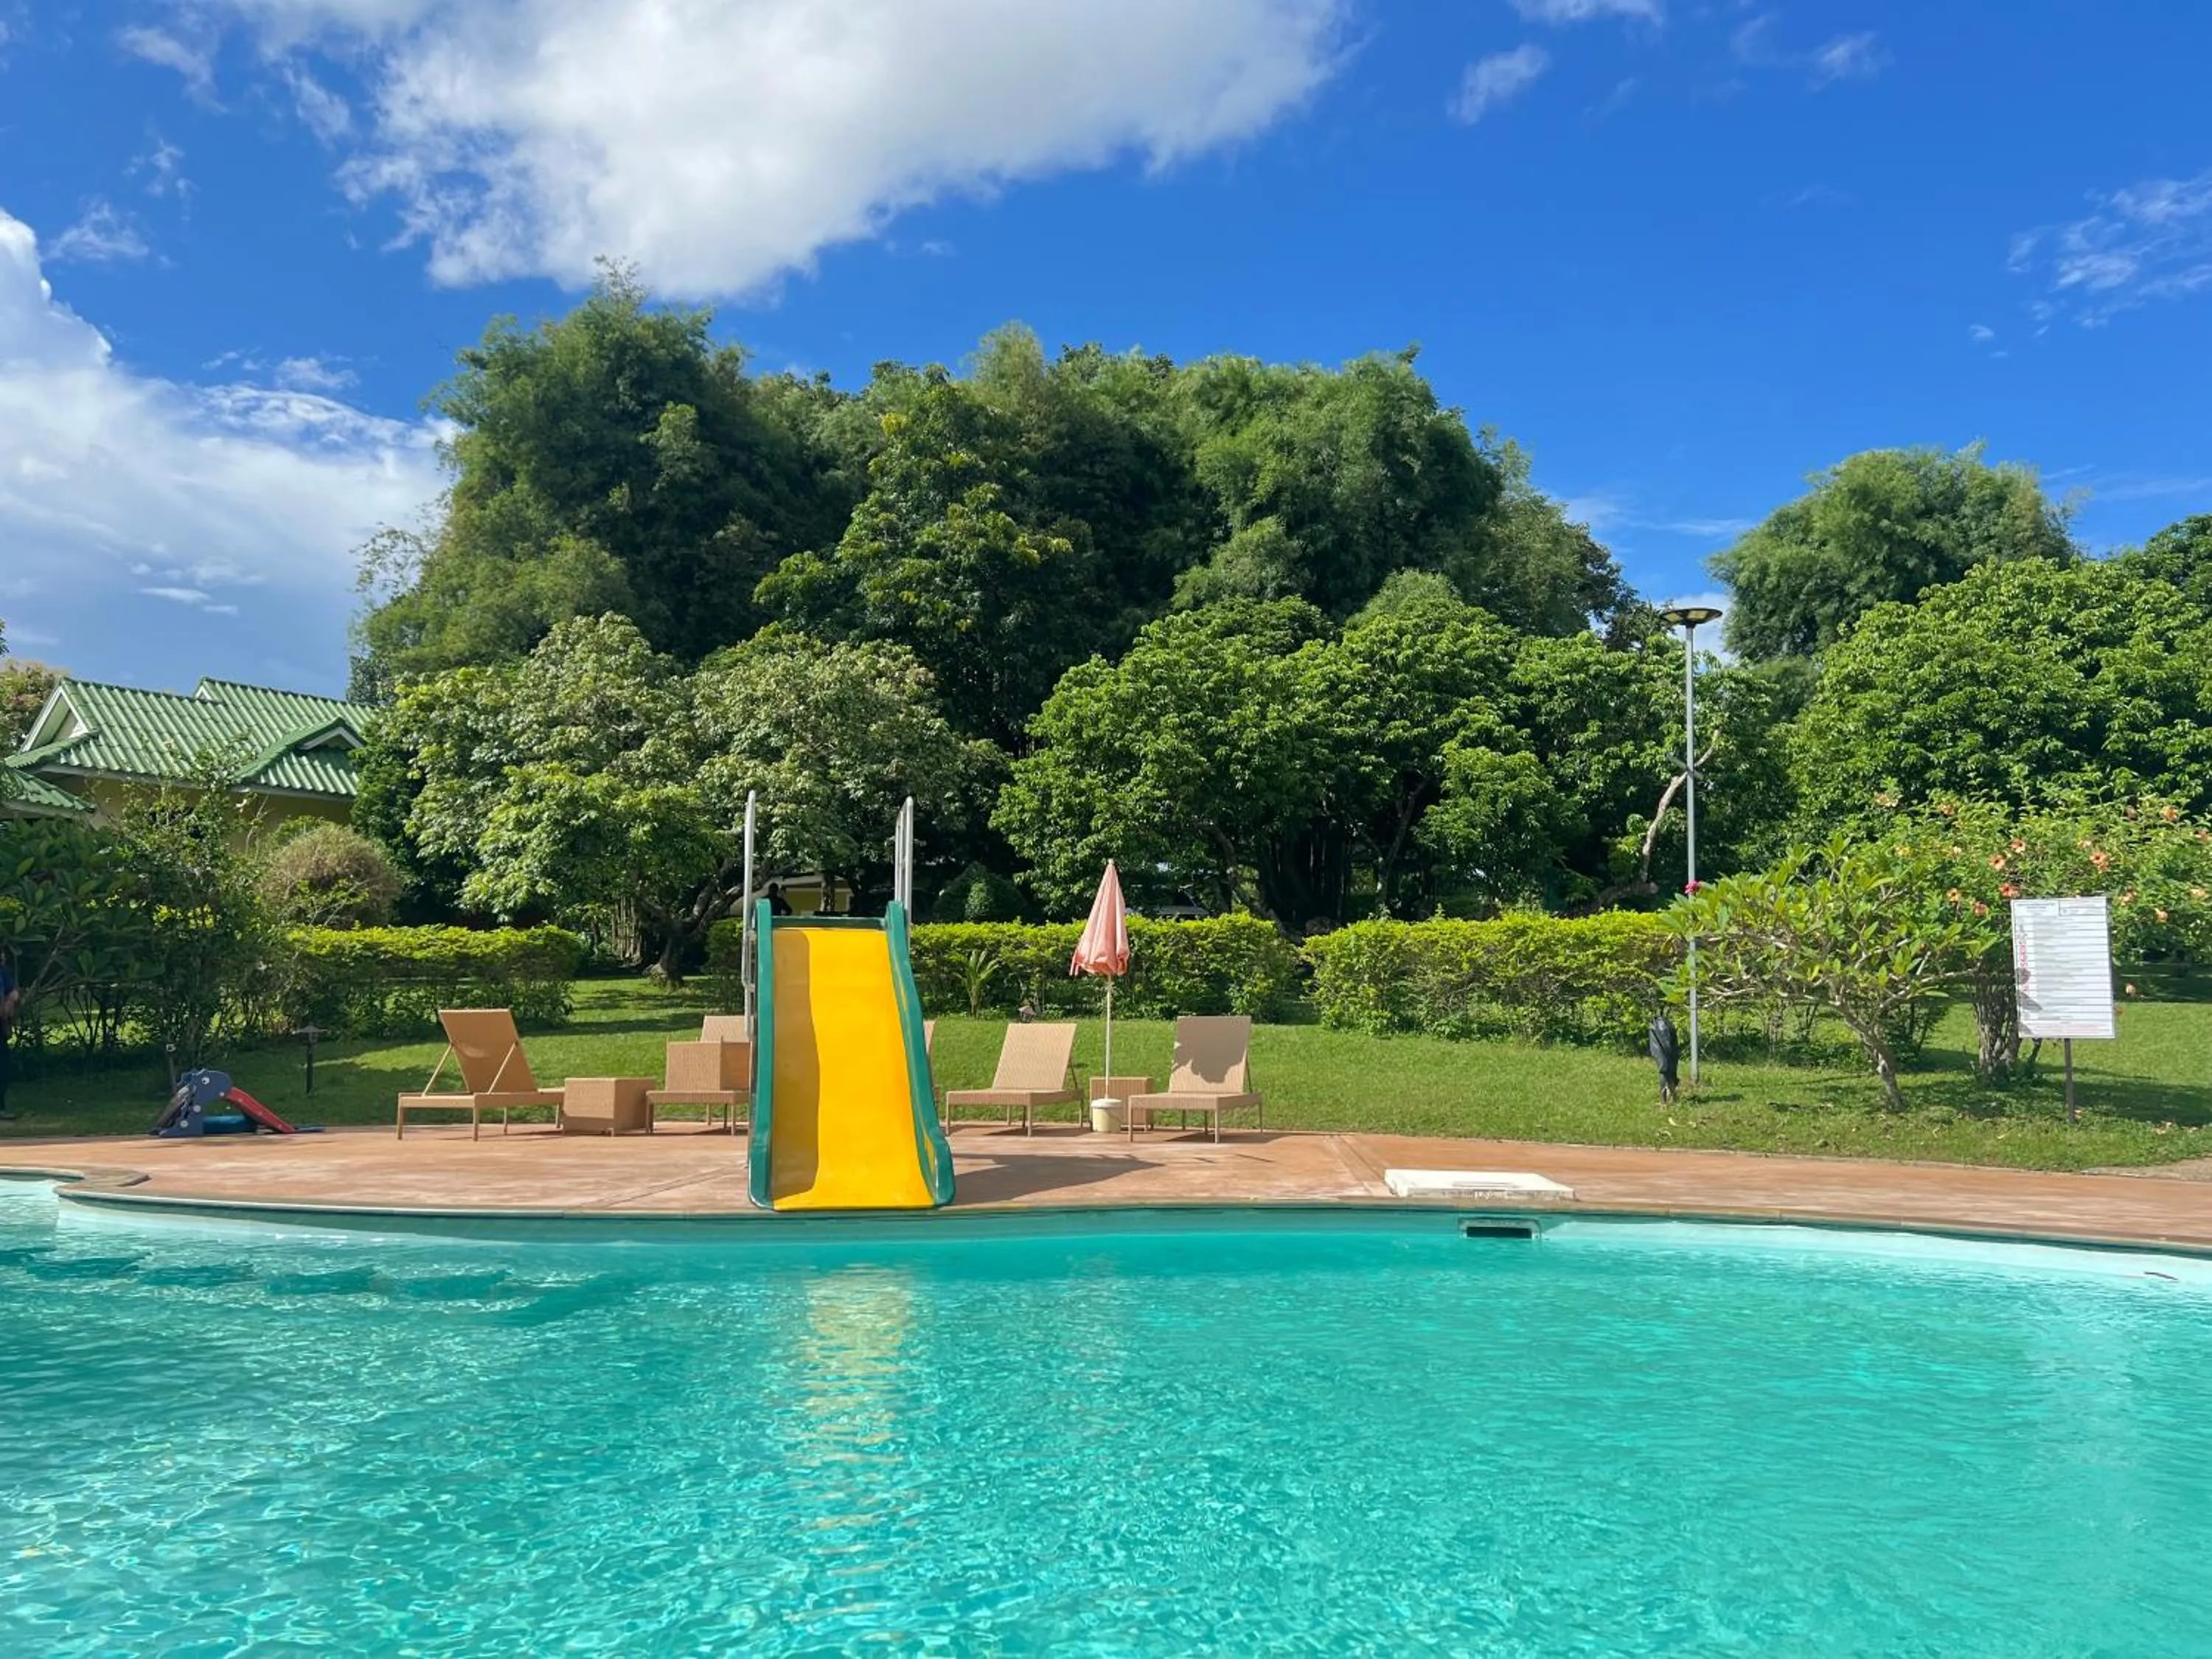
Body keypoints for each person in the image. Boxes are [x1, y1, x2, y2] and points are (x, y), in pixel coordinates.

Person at [0, 946, 18, 1121]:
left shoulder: (2, 971)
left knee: (2, 1067)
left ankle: (1, 1107)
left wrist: (8, 1007)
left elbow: (12, 994)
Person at [1647, 1011, 1680, 1107]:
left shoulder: (1657, 1025)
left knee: (1665, 1069)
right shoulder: (1664, 1025)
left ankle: (1665, 1102)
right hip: (1663, 1029)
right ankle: (1666, 1101)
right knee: (1667, 1069)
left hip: (1661, 1029)